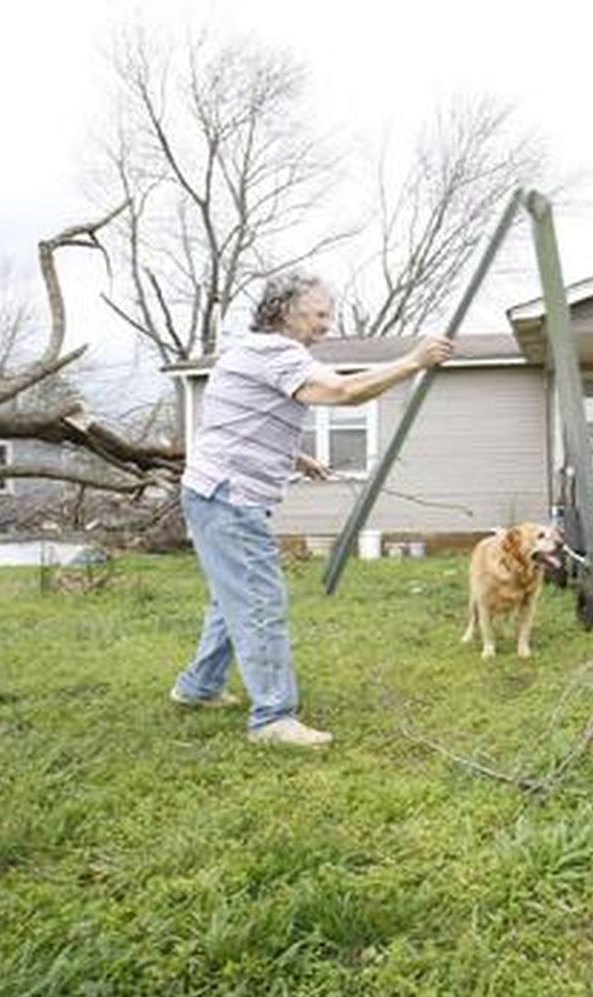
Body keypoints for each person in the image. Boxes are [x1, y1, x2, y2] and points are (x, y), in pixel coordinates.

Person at [170, 272, 453, 747]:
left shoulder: (246, 352)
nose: (327, 323)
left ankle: (198, 688)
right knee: (259, 600)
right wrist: (413, 361)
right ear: (286, 311)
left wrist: (297, 457)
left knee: (231, 595)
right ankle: (272, 718)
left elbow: (241, 420)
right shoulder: (278, 353)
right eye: (320, 313)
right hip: (230, 497)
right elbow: (342, 393)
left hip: (210, 490)